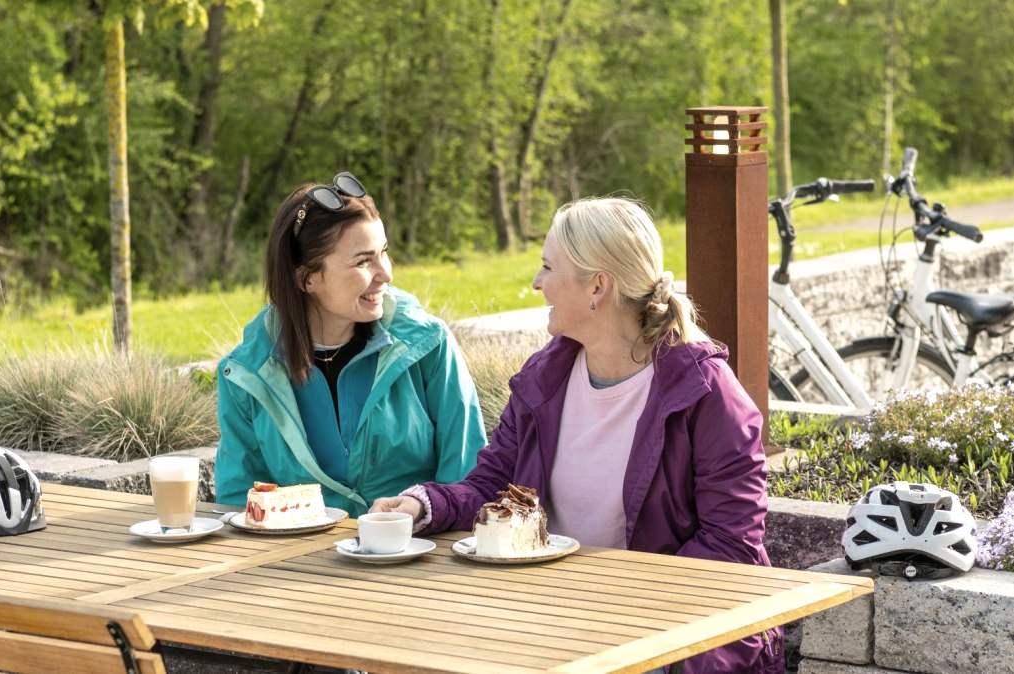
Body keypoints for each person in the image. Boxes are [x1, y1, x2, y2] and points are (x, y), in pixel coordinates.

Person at [370, 197, 782, 674]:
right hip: (560, 622)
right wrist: (423, 504)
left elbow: (729, 548)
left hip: (679, 637)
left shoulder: (706, 393)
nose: (536, 282)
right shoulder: (544, 379)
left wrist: (614, 613)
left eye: (548, 267)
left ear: (597, 287)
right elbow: (494, 487)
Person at [215, 172, 486, 516]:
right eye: (363, 261)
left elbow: (466, 481)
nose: (386, 273)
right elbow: (239, 502)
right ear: (307, 278)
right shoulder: (245, 375)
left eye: (383, 252)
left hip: (418, 544)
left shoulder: (429, 346)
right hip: (299, 551)